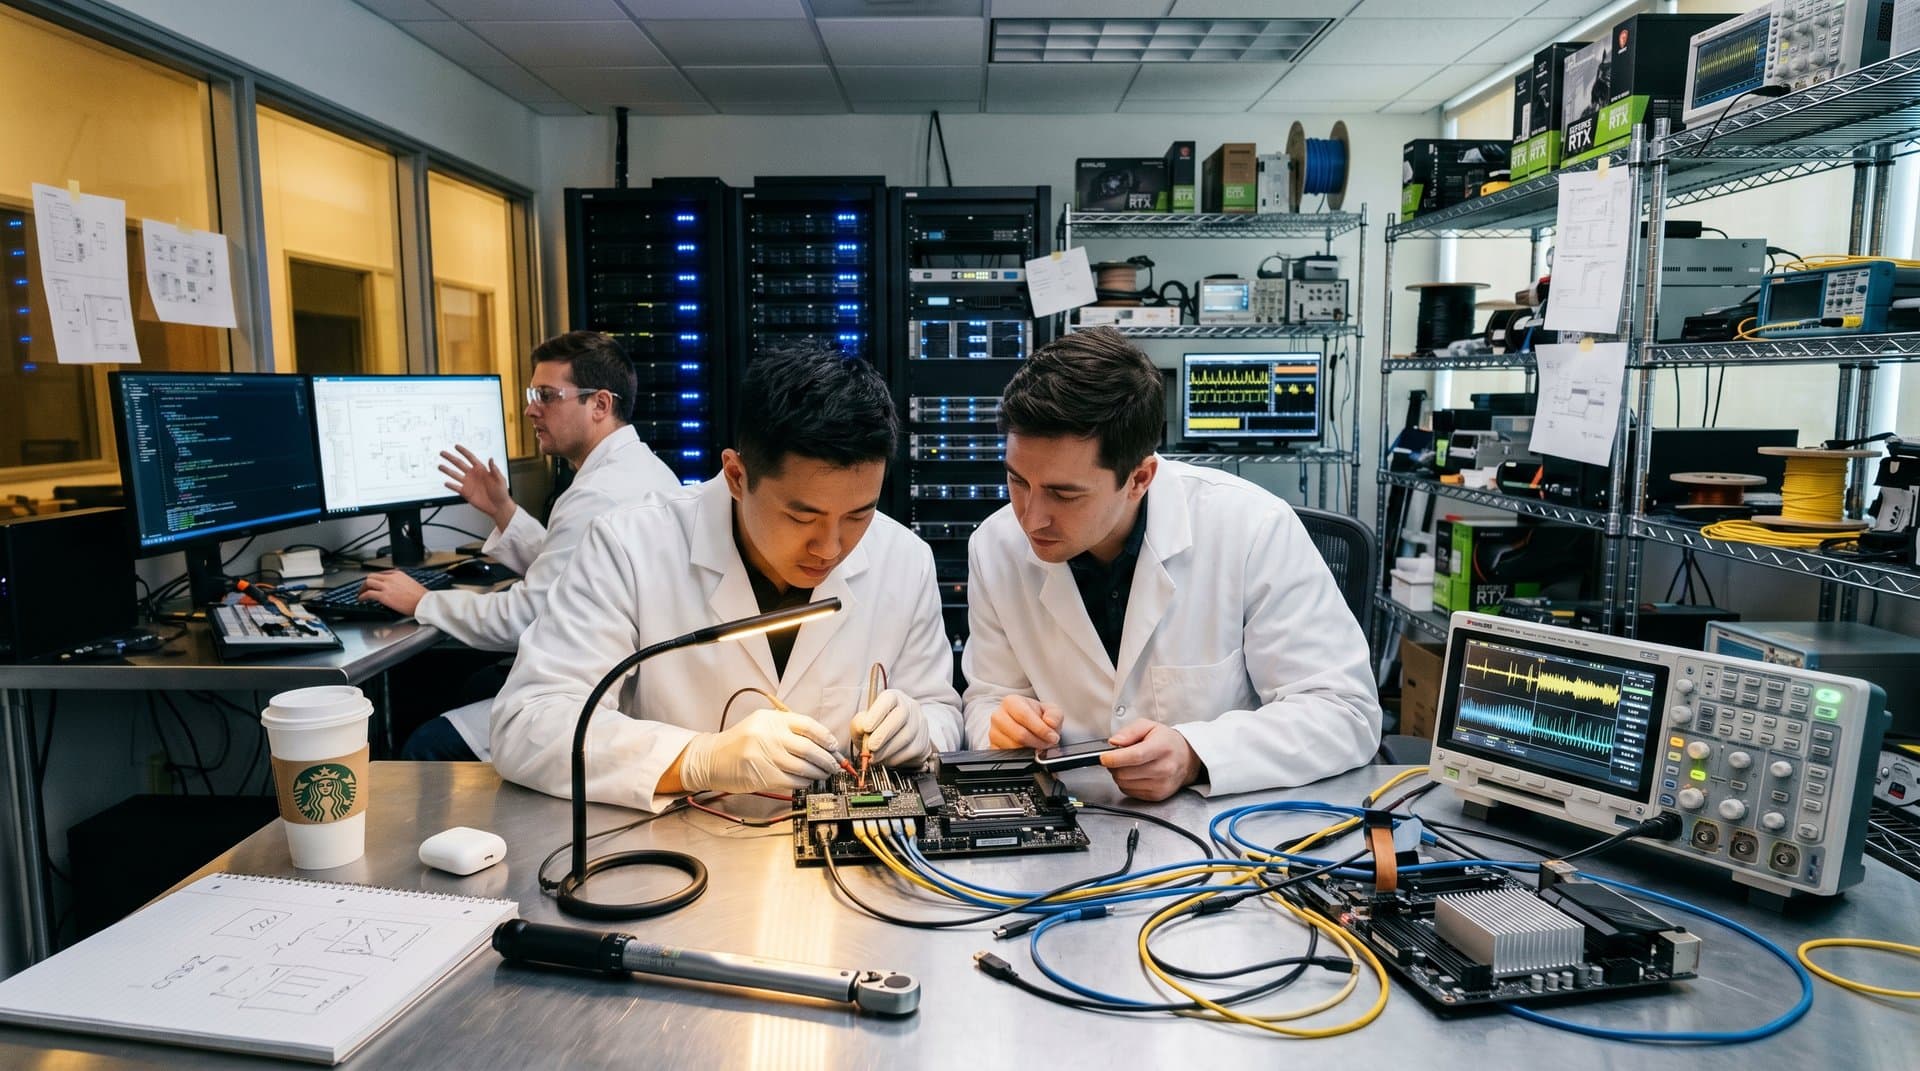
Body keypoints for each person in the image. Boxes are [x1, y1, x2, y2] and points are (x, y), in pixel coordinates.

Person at [490, 346, 962, 810]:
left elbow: (941, 711)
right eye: (802, 518)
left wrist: (921, 729)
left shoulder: (904, 559)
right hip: (680, 852)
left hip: (847, 855)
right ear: (737, 476)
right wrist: (697, 759)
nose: (831, 548)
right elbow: (528, 722)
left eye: (859, 515)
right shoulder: (630, 546)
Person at [962, 327, 1381, 801]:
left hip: (1220, 832)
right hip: (1071, 825)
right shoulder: (995, 546)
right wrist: (1003, 727)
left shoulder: (1251, 528)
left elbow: (1345, 712)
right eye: (1017, 481)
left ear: (1139, 477)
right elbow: (987, 698)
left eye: (1064, 493)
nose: (1031, 516)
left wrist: (1196, 753)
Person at [361, 331, 680, 761]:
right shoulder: (636, 470)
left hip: (600, 700)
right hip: (626, 677)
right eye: (533, 394)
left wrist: (423, 601)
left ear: (600, 405)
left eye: (547, 395)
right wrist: (503, 511)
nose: (531, 409)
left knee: (426, 746)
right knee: (474, 686)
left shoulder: (598, 494)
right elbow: (579, 574)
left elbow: (525, 619)